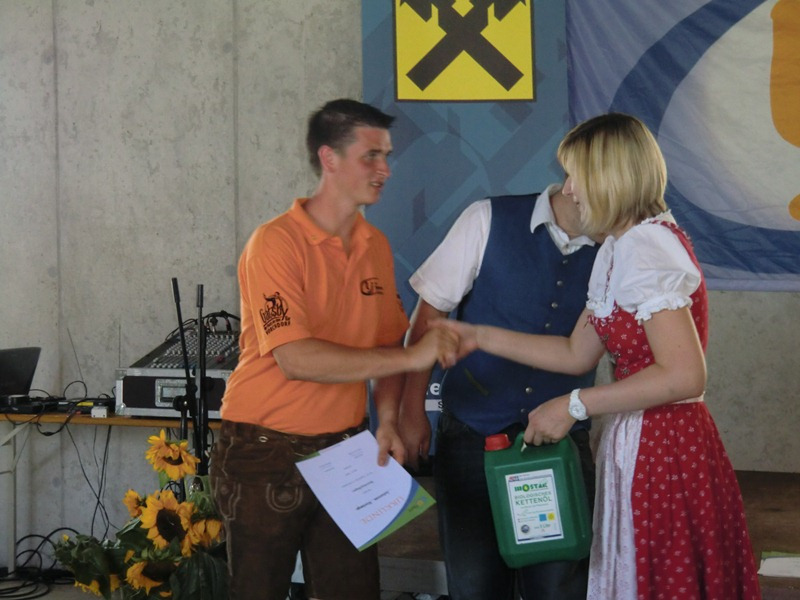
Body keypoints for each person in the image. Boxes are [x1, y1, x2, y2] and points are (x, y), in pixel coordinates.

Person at [435, 113, 762, 599]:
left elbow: (685, 376)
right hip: (638, 439)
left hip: (664, 445)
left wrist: (574, 405)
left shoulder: (645, 247)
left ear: (611, 178)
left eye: (577, 175)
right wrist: (478, 336)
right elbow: (575, 352)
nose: (568, 190)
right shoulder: (618, 247)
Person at [209, 98, 456, 600]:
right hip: (262, 450)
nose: (385, 170)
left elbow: (387, 340)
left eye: (387, 156)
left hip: (346, 450)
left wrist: (388, 420)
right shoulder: (274, 243)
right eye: (371, 156)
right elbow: (295, 358)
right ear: (329, 158)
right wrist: (412, 357)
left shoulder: (375, 244)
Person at [399, 181, 599, 599]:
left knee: (559, 587)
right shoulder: (487, 218)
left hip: (561, 441)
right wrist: (411, 410)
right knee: (474, 585)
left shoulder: (618, 246)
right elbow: (430, 317)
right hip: (471, 433)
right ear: (575, 176)